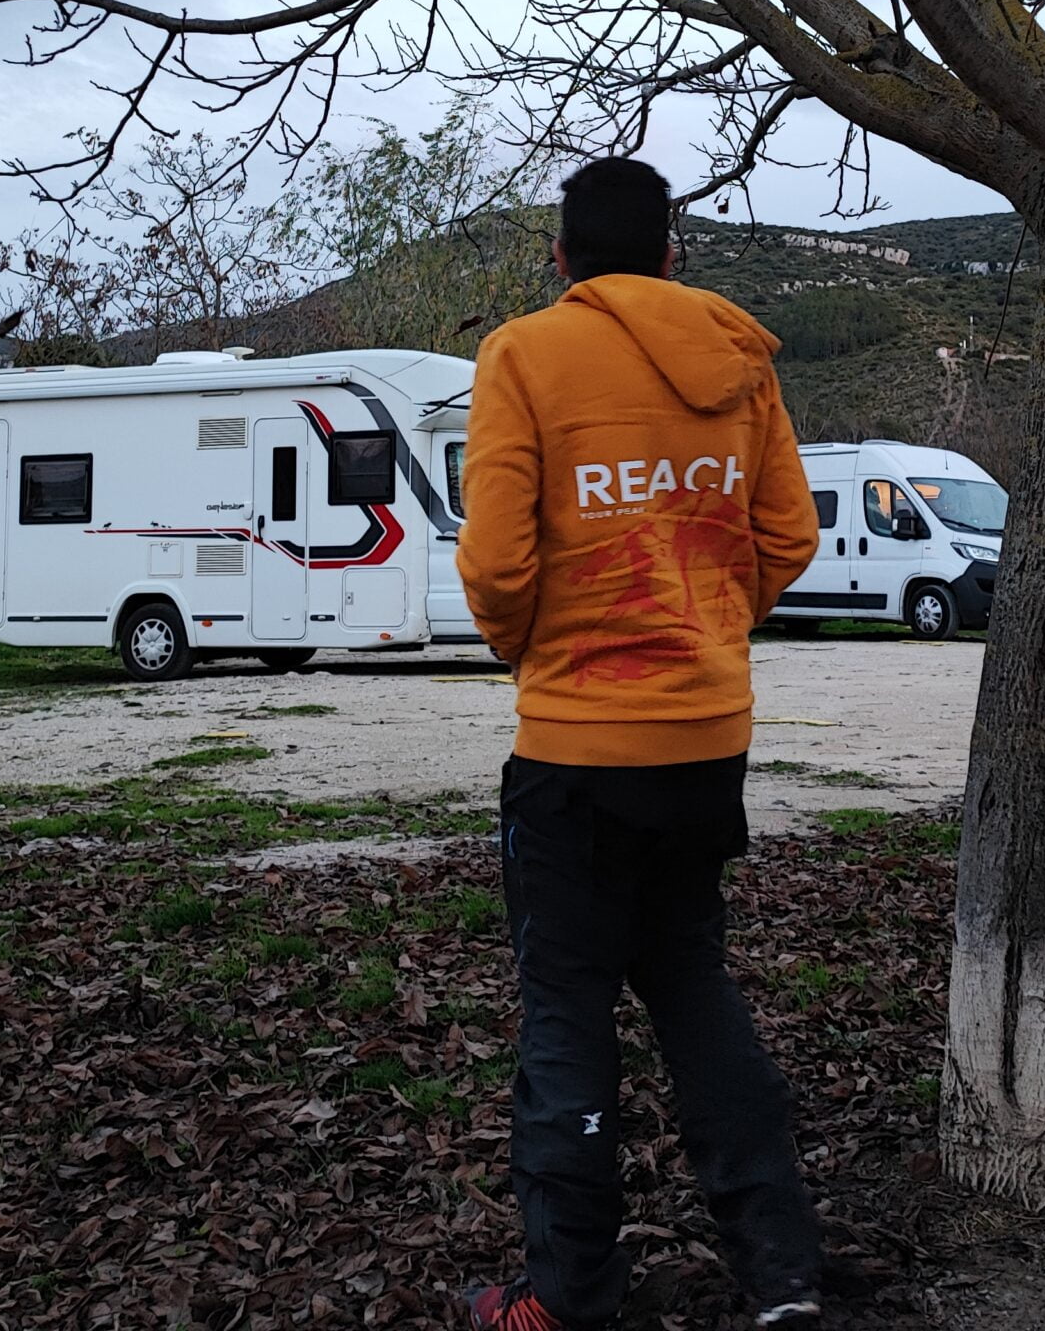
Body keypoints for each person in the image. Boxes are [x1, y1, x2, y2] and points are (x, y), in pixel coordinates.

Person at [453, 156, 826, 1331]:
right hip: (705, 741)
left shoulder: (524, 353)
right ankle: (783, 1278)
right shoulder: (739, 361)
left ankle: (565, 1301)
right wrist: (714, 621)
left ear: (561, 261)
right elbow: (788, 537)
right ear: (672, 254)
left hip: (574, 747)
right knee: (692, 987)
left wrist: (534, 655)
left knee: (567, 1013)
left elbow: (498, 564)